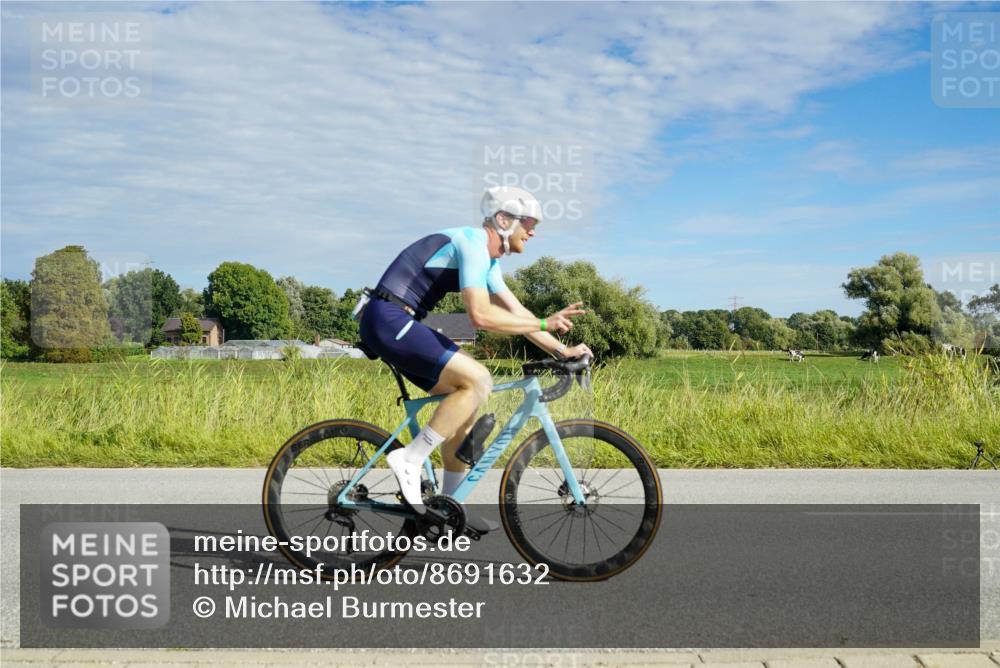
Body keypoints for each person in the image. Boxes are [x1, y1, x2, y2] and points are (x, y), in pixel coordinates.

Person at [358, 185, 593, 530]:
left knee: (464, 406)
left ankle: (449, 508)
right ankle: (409, 459)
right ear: (504, 220)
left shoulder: (489, 261)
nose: (533, 231)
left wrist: (562, 350)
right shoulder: (472, 244)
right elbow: (480, 316)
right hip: (388, 318)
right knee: (478, 379)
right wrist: (546, 322)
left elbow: (518, 314)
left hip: (399, 320)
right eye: (529, 223)